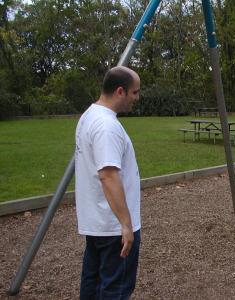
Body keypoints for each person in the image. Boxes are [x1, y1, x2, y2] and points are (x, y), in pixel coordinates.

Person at [75, 66, 141, 299]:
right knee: (116, 289)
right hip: (113, 228)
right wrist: (126, 224)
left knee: (92, 283)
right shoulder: (107, 127)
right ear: (120, 91)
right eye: (135, 92)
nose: (137, 98)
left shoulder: (89, 116)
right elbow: (108, 175)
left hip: (97, 222)